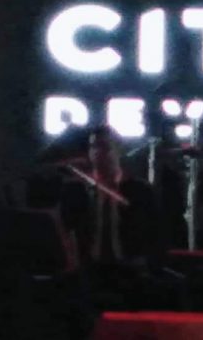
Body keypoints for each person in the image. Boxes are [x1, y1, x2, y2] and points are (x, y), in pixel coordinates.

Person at [59, 126, 156, 309]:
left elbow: (155, 234)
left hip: (130, 270)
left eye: (105, 146)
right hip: (90, 270)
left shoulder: (140, 191)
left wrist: (144, 261)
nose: (98, 152)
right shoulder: (76, 191)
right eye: (93, 147)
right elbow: (65, 231)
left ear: (119, 151)